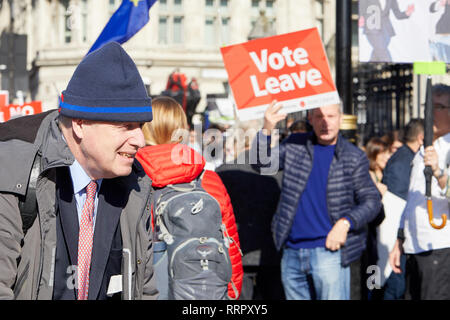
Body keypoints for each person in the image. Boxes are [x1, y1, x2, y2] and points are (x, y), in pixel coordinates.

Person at [0, 42, 158, 300]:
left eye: (140, 125)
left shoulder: (136, 187)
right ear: (81, 124)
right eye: (125, 126)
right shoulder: (14, 171)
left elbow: (145, 289)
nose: (140, 140)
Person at [251, 100, 381, 300]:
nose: (325, 122)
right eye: (319, 116)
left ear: (340, 118)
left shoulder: (353, 156)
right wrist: (268, 127)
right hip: (292, 250)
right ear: (310, 119)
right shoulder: (296, 145)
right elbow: (261, 164)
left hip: (329, 251)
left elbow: (372, 200)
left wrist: (345, 223)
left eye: (330, 116)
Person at [135, 96, 243, 300]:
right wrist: (229, 294)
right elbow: (230, 244)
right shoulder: (210, 180)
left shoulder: (133, 181)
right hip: (206, 292)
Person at [389, 83, 450, 300]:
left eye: (440, 107)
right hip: (414, 245)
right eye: (428, 106)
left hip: (439, 246)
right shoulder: (424, 148)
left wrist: (438, 172)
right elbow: (412, 196)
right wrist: (399, 239)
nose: (431, 113)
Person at [381, 119, 424, 300]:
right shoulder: (404, 161)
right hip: (393, 237)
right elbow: (399, 203)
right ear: (422, 138)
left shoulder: (405, 157)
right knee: (393, 286)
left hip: (398, 236)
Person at [363, 137, 390, 299]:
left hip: (385, 233)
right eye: (383, 153)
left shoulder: (385, 173)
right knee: (370, 272)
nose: (387, 157)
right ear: (374, 155)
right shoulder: (367, 175)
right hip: (371, 236)